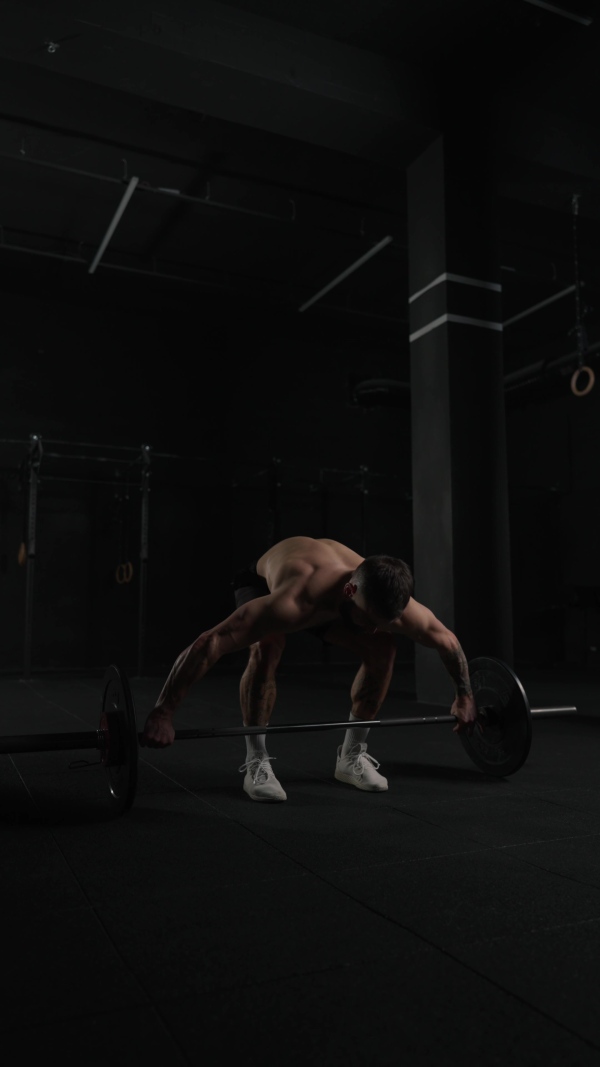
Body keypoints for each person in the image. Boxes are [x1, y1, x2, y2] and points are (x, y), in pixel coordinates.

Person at [141, 536, 478, 801]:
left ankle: (350, 757)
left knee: (383, 647)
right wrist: (163, 711)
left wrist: (464, 695)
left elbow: (446, 640)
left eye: (382, 621)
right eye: (369, 620)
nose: (372, 628)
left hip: (334, 603)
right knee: (268, 645)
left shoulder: (385, 602)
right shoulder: (294, 600)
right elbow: (211, 641)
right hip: (269, 582)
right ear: (350, 591)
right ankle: (256, 761)